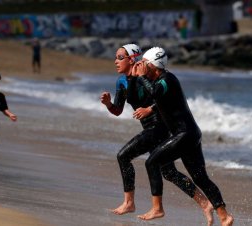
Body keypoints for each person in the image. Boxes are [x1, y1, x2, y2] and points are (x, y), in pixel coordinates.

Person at [100, 44, 214, 225]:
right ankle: (205, 203)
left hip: (160, 126)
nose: (115, 61)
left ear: (132, 59)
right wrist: (108, 104)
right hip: (149, 129)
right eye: (116, 57)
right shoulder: (121, 82)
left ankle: (129, 203)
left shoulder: (145, 77)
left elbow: (163, 97)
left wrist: (149, 109)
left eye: (120, 57)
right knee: (169, 172)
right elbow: (118, 110)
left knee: (124, 155)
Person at [132, 47, 234, 225]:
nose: (141, 66)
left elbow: (156, 92)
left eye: (144, 63)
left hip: (185, 134)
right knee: (199, 177)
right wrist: (148, 103)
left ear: (152, 65)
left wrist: (140, 77)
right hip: (190, 134)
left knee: (152, 162)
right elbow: (160, 97)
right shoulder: (159, 80)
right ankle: (224, 216)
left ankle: (157, 209)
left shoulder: (167, 79)